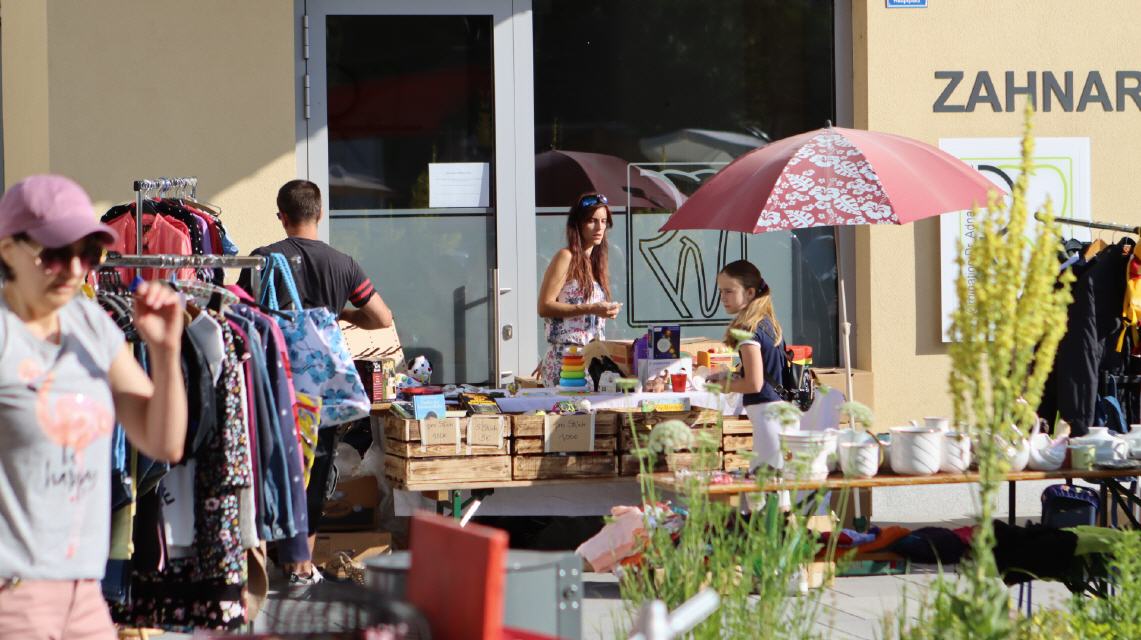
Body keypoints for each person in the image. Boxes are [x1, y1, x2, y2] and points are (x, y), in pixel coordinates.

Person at [0, 175, 187, 638]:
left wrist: (165, 351)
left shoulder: (90, 324)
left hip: (85, 595)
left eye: (87, 254)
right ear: (7, 249)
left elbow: (163, 442)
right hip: (13, 596)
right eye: (54, 253)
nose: (73, 269)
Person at [237, 179, 393, 585]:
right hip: (319, 389)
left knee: (269, 466)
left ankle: (267, 562)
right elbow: (382, 317)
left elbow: (239, 313)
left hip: (272, 385)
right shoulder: (343, 264)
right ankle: (301, 566)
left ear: (281, 216)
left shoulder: (264, 259)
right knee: (316, 470)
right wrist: (340, 314)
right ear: (319, 213)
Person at [537, 193, 621, 387]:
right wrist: (592, 308)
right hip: (567, 362)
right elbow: (544, 306)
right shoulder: (566, 257)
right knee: (569, 408)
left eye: (603, 221)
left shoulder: (594, 263)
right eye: (592, 221)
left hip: (591, 360)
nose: (599, 227)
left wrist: (606, 311)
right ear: (578, 224)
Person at [715, 259, 786, 471]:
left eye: (729, 291)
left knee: (765, 482)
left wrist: (722, 385)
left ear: (750, 293)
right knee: (774, 482)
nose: (722, 297)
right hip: (781, 412)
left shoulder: (748, 329)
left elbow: (754, 383)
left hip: (767, 416)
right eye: (721, 291)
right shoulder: (767, 323)